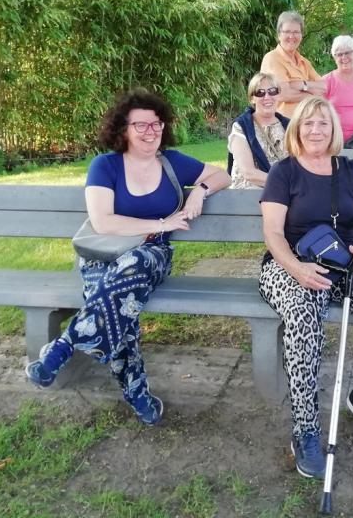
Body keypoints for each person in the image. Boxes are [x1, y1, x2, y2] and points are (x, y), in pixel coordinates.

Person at [24, 89, 231, 424]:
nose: (150, 132)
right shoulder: (105, 166)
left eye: (156, 124)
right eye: (141, 126)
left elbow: (222, 174)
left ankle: (62, 349)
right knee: (121, 307)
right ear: (123, 129)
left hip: (150, 256)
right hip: (102, 256)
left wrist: (201, 193)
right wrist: (161, 223)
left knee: (128, 272)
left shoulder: (172, 162)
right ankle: (137, 391)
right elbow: (104, 221)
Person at [260, 96, 353, 479]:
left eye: (323, 123)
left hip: (348, 262)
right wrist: (296, 268)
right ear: (296, 129)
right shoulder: (284, 172)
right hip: (290, 264)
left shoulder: (350, 169)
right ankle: (305, 429)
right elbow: (273, 232)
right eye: (307, 123)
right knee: (305, 319)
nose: (315, 130)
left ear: (334, 129)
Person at [227, 72, 290, 189]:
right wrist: (285, 184)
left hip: (285, 195)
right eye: (260, 93)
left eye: (272, 91)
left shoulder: (290, 125)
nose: (267, 97)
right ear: (252, 99)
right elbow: (249, 173)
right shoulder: (241, 126)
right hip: (249, 195)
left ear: (278, 95)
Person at [260, 11, 324, 117]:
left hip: (303, 123)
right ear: (279, 35)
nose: (291, 36)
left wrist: (302, 85)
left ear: (301, 35)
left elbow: (323, 86)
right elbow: (283, 94)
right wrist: (312, 95)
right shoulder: (272, 58)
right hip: (281, 125)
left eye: (296, 32)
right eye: (287, 32)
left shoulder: (304, 61)